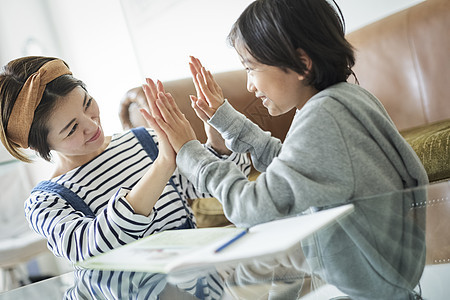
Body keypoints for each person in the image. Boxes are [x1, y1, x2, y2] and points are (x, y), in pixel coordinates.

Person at [144, 0, 428, 298]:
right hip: (385, 268)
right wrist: (224, 119)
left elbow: (251, 209)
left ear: (302, 64)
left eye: (250, 68)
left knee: (247, 259)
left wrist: (190, 151)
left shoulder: (324, 116)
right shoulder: (345, 99)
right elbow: (291, 164)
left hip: (371, 276)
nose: (250, 85)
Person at [0, 56, 250, 263]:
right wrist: (162, 165)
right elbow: (94, 245)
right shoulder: (45, 202)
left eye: (87, 104)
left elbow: (218, 183)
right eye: (72, 128)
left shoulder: (145, 141)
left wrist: (216, 123)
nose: (92, 124)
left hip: (198, 282)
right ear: (38, 145)